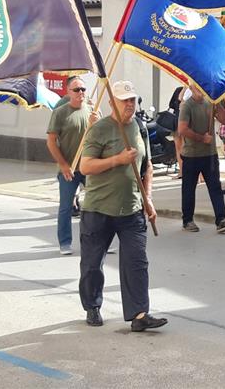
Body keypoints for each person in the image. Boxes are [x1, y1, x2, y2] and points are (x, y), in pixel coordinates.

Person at [79, 80, 167, 332]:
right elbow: (85, 166)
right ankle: (92, 305)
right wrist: (117, 159)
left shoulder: (138, 128)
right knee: (92, 264)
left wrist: (147, 198)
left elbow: (146, 166)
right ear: (112, 103)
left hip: (131, 209)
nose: (130, 104)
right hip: (98, 209)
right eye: (124, 100)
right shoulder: (100, 129)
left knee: (136, 262)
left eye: (132, 99)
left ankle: (139, 314)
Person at [47, 76, 98, 255]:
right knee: (66, 206)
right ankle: (65, 242)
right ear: (68, 92)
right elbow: (51, 141)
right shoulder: (60, 112)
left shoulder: (92, 110)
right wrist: (63, 165)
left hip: (89, 167)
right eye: (76, 90)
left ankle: (97, 240)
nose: (81, 93)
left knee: (97, 206)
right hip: (69, 168)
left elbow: (99, 137)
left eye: (83, 89)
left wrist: (96, 123)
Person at [178, 83, 225, 233]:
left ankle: (221, 219)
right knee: (189, 189)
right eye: (196, 87)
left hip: (210, 155)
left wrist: (217, 105)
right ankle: (187, 220)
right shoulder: (187, 106)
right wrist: (201, 138)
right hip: (191, 154)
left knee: (215, 187)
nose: (200, 89)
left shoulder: (210, 103)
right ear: (191, 88)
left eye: (201, 86)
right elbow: (182, 129)